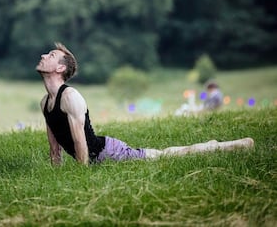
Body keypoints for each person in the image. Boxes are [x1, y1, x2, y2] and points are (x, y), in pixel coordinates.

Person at [36, 42, 254, 166]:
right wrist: (57, 171)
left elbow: (80, 142)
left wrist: (81, 179)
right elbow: (55, 149)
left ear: (60, 69)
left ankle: (226, 146)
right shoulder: (46, 102)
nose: (44, 55)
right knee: (165, 154)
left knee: (167, 154)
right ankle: (214, 145)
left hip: (109, 153)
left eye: (51, 55)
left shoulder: (70, 96)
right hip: (99, 158)